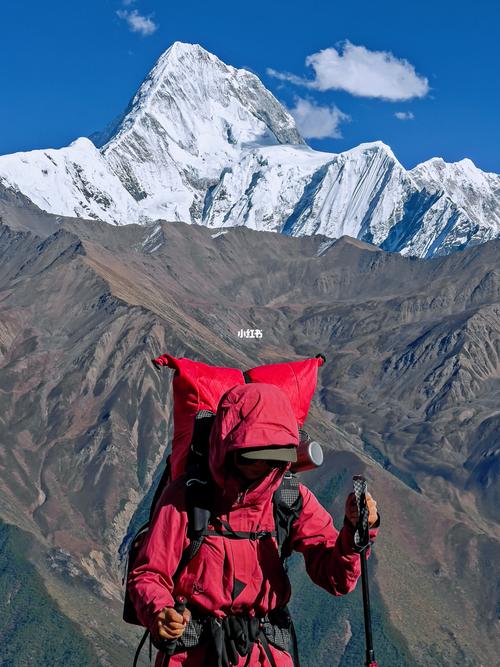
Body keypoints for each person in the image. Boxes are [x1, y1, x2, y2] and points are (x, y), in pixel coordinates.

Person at [128, 383, 379, 666]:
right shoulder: (186, 498)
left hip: (263, 655)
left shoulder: (288, 498)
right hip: (193, 656)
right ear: (228, 450)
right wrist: (160, 611)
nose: (266, 468)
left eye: (274, 460)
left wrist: (354, 531)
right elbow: (148, 574)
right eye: (255, 459)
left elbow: (336, 578)